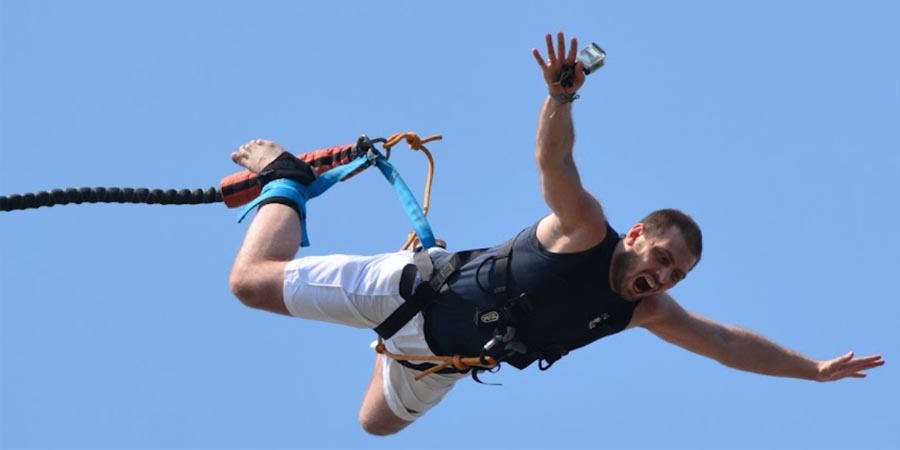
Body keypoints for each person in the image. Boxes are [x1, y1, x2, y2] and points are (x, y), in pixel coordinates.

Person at [227, 32, 884, 436]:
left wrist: (812, 370)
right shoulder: (583, 229)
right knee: (249, 285)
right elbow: (555, 162)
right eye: (661, 258)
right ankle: (286, 181)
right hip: (409, 293)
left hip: (439, 358)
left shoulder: (644, 309)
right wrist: (561, 100)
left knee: (375, 426)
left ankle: (378, 343)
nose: (662, 276)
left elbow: (721, 343)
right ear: (634, 236)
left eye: (675, 274)